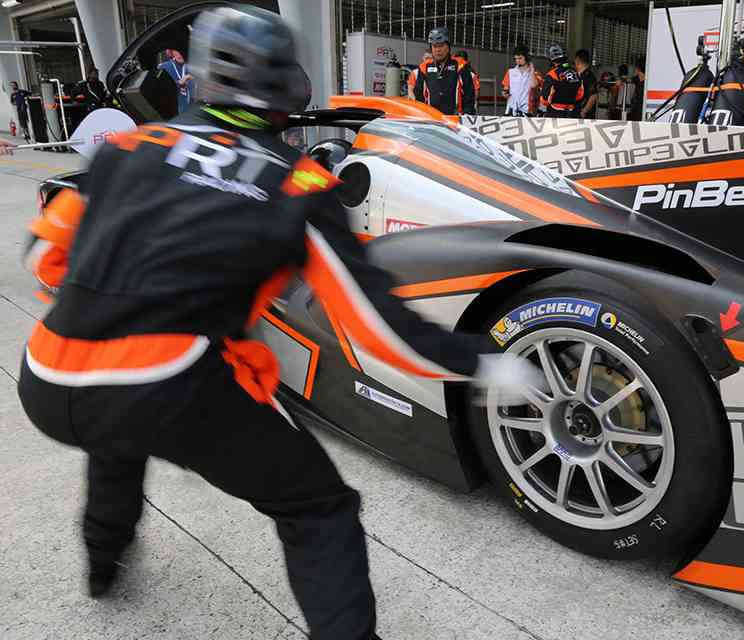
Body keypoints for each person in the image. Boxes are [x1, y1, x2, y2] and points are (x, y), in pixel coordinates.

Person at [17, 6, 535, 640]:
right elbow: (377, 329)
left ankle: (103, 566)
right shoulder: (298, 185)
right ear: (288, 85)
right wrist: (483, 363)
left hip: (46, 374)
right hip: (169, 384)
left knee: (115, 433)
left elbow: (44, 259)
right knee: (319, 508)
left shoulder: (125, 150)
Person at [413, 27, 476, 116]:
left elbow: (469, 95)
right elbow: (419, 97)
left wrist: (467, 116)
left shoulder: (460, 65)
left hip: (455, 119)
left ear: (448, 46)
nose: (438, 50)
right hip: (432, 118)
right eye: (434, 46)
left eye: (441, 45)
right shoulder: (424, 67)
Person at [539, 43, 583, 118]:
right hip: (572, 114)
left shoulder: (552, 74)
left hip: (555, 114)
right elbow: (580, 95)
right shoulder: (576, 73)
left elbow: (544, 100)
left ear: (551, 59)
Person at [501, 44, 540, 116]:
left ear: (527, 57)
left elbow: (534, 85)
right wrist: (504, 93)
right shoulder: (510, 72)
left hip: (527, 110)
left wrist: (532, 70)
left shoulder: (534, 73)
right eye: (515, 59)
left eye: (520, 58)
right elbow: (505, 89)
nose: (517, 61)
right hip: (511, 109)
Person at [159, 49, 194, 114]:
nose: (180, 54)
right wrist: (178, 83)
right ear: (171, 52)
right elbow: (158, 90)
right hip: (174, 114)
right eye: (176, 50)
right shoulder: (164, 67)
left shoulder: (195, 66)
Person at [573, 49, 598, 119]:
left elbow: (593, 96)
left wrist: (584, 111)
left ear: (577, 60)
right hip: (578, 113)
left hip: (585, 116)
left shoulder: (589, 76)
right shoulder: (581, 75)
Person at [456, 50, 481, 114]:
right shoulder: (457, 71)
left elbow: (476, 90)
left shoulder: (470, 72)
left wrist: (473, 103)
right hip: (462, 106)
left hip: (467, 107)